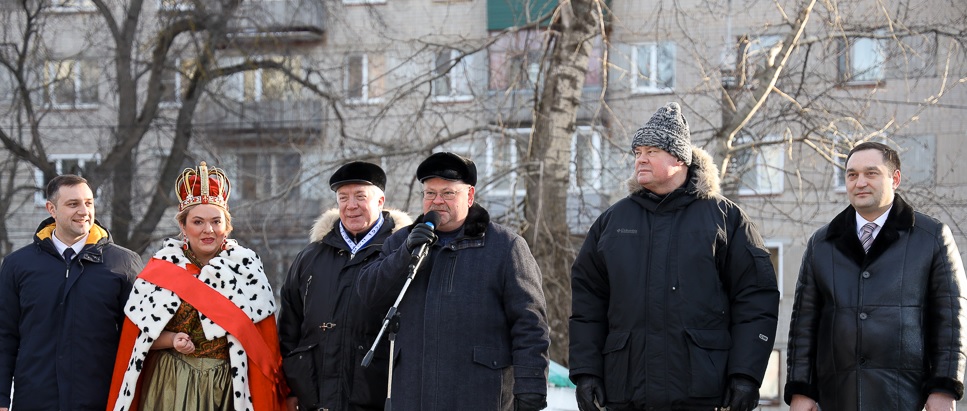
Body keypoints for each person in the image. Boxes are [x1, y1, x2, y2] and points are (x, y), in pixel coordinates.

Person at [569, 102, 780, 411]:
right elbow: (588, 305)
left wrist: (746, 375)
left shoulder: (725, 219)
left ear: (680, 158)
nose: (640, 159)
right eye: (637, 152)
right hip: (626, 392)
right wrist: (586, 371)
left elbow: (756, 301)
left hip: (704, 393)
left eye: (651, 152)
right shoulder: (612, 223)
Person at [357, 152, 550, 411]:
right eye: (430, 193)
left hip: (480, 395)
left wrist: (531, 389)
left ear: (469, 196)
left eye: (448, 193)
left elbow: (530, 325)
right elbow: (369, 295)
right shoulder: (401, 242)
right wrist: (405, 254)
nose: (437, 201)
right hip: (413, 395)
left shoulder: (505, 247)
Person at [785, 141, 967, 411]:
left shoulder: (932, 237)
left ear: (895, 179)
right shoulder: (821, 244)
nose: (860, 182)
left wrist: (944, 387)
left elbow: (950, 317)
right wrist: (801, 390)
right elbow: (804, 324)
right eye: (852, 174)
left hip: (906, 396)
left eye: (871, 173)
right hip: (838, 396)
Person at [106, 162, 287, 411]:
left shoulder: (246, 268)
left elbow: (264, 344)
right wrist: (171, 339)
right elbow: (135, 340)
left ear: (227, 225)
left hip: (228, 388)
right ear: (183, 226)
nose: (208, 230)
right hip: (169, 385)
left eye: (216, 221)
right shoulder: (159, 269)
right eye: (198, 222)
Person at [0, 174, 143, 411]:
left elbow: (137, 339)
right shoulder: (17, 265)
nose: (84, 211)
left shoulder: (124, 263)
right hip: (35, 400)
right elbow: (5, 335)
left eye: (88, 203)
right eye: (73, 204)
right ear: (51, 209)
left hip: (101, 401)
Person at [278, 161, 412, 410]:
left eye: (360, 197)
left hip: (377, 398)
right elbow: (289, 328)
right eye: (343, 198)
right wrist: (291, 386)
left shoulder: (400, 256)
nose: (351, 206)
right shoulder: (310, 256)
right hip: (314, 399)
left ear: (380, 201)